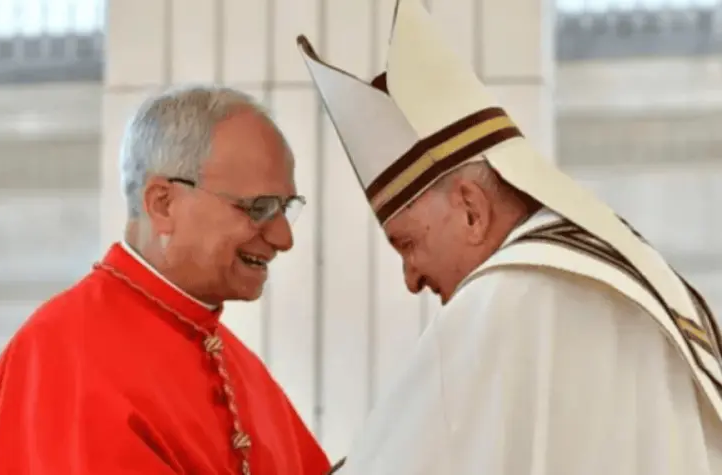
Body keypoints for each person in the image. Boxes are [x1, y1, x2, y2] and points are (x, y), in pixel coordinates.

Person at [297, 0, 722, 473]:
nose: (411, 279)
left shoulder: (499, 303)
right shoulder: (643, 282)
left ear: (471, 210)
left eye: (407, 243)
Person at [0, 85, 331, 475]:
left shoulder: (234, 360)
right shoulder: (65, 355)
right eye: (260, 208)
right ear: (163, 204)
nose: (283, 239)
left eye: (285, 209)